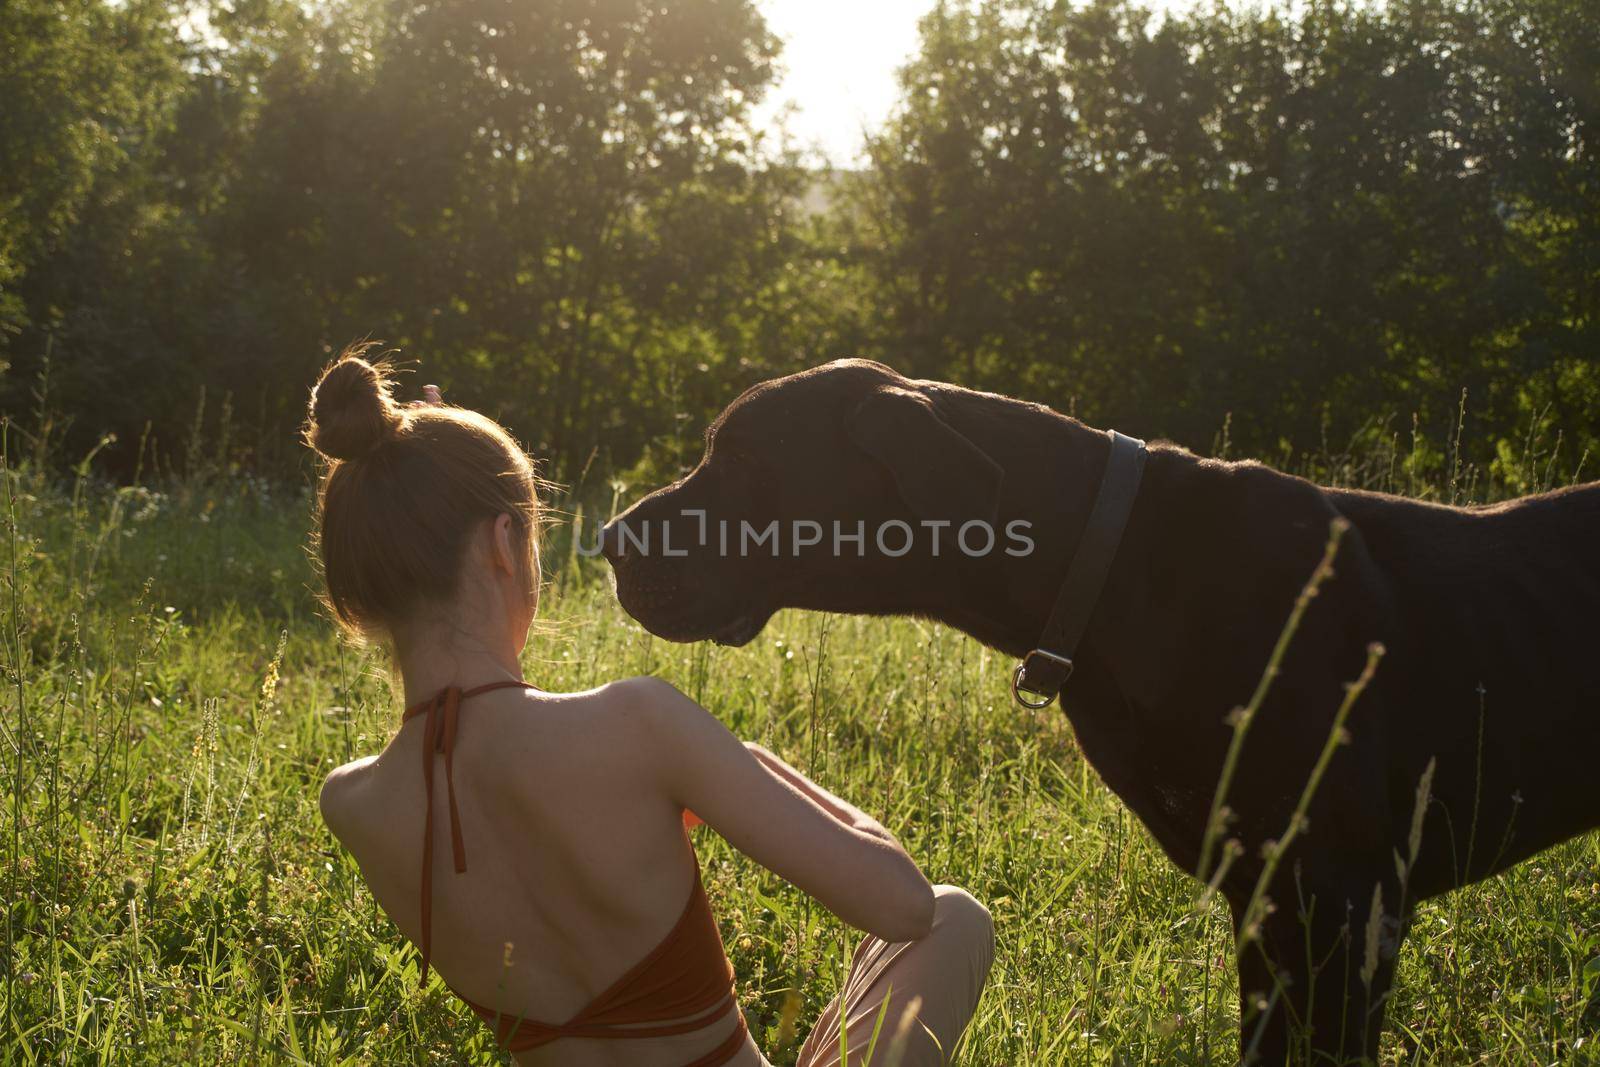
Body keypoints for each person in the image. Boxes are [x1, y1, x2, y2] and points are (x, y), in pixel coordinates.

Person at [307, 348, 994, 1067]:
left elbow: (489, 767)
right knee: (952, 913)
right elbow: (904, 906)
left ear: (357, 592)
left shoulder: (353, 802)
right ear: (504, 546)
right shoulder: (638, 725)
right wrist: (749, 763)